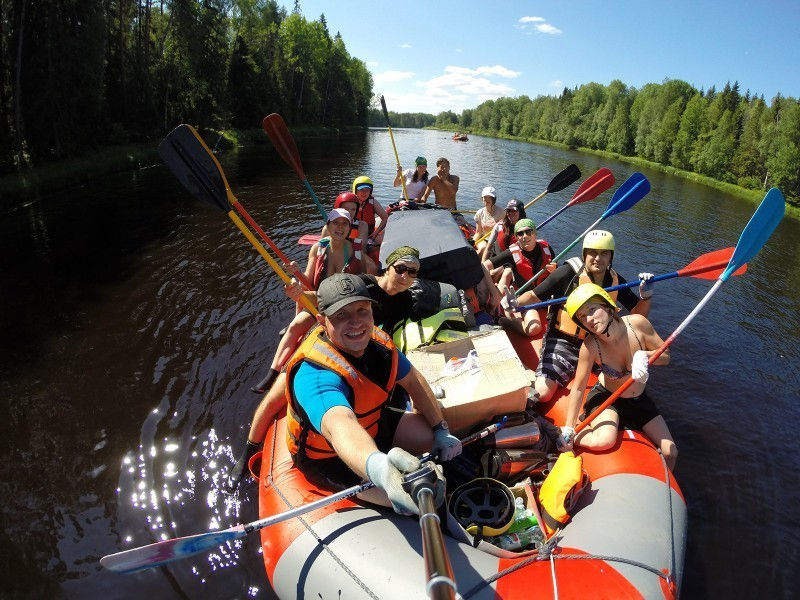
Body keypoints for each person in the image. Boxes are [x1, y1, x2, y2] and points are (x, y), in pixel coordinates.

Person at [231, 247, 428, 485]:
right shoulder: (363, 283)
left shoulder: (406, 300)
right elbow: (323, 299)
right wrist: (300, 293)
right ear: (389, 267)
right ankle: (249, 449)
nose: (406, 276)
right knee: (276, 396)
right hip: (333, 339)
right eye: (401, 269)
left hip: (367, 345)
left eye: (413, 272)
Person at [285, 273, 461, 513]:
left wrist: (441, 429)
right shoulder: (315, 375)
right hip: (329, 458)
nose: (356, 323)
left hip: (374, 424)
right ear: (322, 320)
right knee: (414, 503)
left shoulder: (377, 342)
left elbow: (413, 381)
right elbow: (340, 427)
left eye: (362, 311)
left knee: (428, 436)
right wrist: (379, 467)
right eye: (342, 315)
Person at [514, 230, 655, 404]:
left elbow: (638, 316)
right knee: (542, 393)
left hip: (598, 344)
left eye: (604, 253)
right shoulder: (567, 273)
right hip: (564, 340)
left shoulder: (615, 280)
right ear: (584, 254)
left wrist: (646, 297)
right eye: (592, 253)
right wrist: (512, 304)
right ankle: (527, 379)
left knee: (627, 384)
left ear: (611, 257)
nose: (598, 258)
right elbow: (534, 296)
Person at [556, 283, 677, 470]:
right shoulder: (590, 346)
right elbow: (579, 388)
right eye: (582, 316)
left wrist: (644, 356)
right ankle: (566, 435)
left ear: (606, 305)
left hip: (638, 399)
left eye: (592, 309)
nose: (589, 319)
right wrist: (569, 427)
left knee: (671, 452)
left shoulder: (638, 324)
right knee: (604, 440)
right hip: (608, 398)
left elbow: (667, 357)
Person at [488, 218, 556, 337]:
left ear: (535, 234)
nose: (524, 236)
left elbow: (557, 272)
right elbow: (485, 265)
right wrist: (493, 292)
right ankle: (504, 321)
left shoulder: (547, 248)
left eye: (528, 232)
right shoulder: (511, 253)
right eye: (520, 233)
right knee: (534, 328)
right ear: (517, 237)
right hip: (526, 298)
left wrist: (555, 270)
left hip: (546, 295)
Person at [480, 198, 526, 263]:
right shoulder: (499, 226)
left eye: (514, 210)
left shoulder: (526, 231)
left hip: (512, 262)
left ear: (521, 212)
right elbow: (488, 248)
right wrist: (483, 263)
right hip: (496, 257)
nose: (510, 213)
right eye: (508, 210)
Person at [352, 176, 391, 249]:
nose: (364, 193)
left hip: (370, 233)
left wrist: (375, 233)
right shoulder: (350, 202)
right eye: (361, 190)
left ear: (370, 191)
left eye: (367, 190)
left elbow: (385, 218)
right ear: (355, 191)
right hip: (353, 234)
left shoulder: (372, 202)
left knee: (388, 242)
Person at [473, 186, 505, 254]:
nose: (486, 199)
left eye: (489, 197)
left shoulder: (501, 212)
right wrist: (471, 243)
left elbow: (503, 231)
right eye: (484, 197)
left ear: (494, 199)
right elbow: (478, 233)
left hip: (496, 241)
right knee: (483, 248)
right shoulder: (479, 213)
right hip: (483, 239)